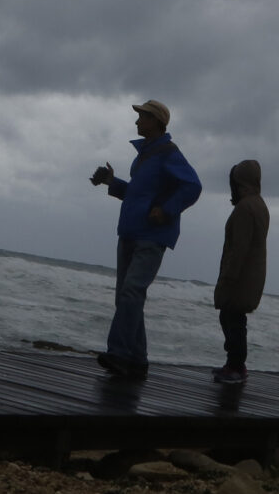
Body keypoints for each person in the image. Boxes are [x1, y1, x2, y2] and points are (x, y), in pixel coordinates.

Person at [88, 99, 201, 379]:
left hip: (151, 236)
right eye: (138, 117)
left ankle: (119, 354)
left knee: (131, 293)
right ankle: (138, 360)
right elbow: (139, 196)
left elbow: (193, 186)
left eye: (142, 117)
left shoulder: (168, 153)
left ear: (156, 122)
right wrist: (111, 182)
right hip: (130, 232)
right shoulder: (144, 157)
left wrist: (167, 211)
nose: (137, 122)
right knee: (126, 297)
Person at [210, 158, 267, 385]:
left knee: (232, 318)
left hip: (240, 275)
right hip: (252, 274)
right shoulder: (259, 204)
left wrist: (229, 276)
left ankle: (236, 366)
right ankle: (234, 364)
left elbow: (239, 247)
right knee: (234, 318)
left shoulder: (245, 208)